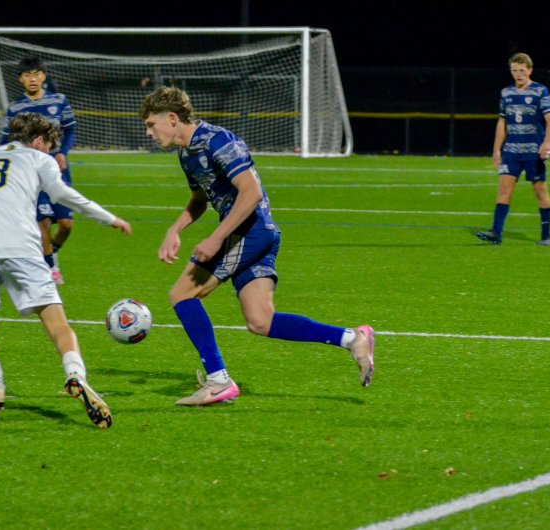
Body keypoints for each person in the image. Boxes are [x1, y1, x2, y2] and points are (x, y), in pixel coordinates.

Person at [139, 86, 375, 406]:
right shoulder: (187, 154)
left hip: (252, 231)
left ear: (171, 118)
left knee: (182, 293)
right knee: (260, 321)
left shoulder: (218, 141)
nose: (149, 132)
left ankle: (218, 380)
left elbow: (250, 193)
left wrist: (217, 237)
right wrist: (175, 229)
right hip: (250, 233)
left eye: (152, 125)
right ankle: (352, 339)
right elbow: (199, 199)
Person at [0, 112, 132, 427]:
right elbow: (62, 195)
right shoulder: (38, 159)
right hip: (22, 246)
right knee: (57, 323)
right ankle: (75, 375)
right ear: (37, 141)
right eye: (48, 146)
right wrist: (108, 218)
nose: (49, 153)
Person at [2, 56, 76, 284]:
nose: (32, 79)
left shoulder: (59, 101)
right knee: (42, 220)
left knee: (66, 225)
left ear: (44, 76)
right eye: (27, 75)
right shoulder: (15, 108)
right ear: (20, 80)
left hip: (57, 171)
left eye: (36, 74)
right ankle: (50, 269)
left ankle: (50, 252)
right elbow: (5, 141)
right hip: (31, 174)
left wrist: (63, 151)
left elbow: (70, 130)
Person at [477, 52, 550, 246]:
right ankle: (496, 234)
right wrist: (497, 150)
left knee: (540, 191)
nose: (518, 74)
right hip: (511, 151)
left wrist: (547, 143)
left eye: (522, 70)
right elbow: (502, 122)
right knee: (503, 191)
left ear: (530, 70)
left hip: (533, 152)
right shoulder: (506, 93)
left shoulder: (540, 91)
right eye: (514, 70)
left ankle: (546, 235)